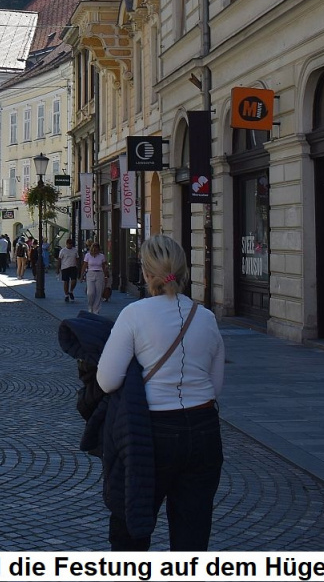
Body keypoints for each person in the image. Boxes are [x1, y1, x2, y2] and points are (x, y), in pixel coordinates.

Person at [97, 234, 226, 551]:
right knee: (193, 533)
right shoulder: (206, 317)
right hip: (203, 429)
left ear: (145, 272)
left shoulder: (135, 314)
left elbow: (107, 380)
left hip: (151, 432)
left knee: (131, 528)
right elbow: (215, 385)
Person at [83, 240, 108, 315]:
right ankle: (90, 306)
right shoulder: (87, 255)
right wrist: (81, 275)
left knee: (98, 293)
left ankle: (96, 310)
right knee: (90, 293)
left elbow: (104, 266)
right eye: (94, 248)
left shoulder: (101, 256)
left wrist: (106, 276)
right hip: (90, 273)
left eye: (97, 249)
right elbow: (84, 265)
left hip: (99, 273)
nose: (95, 250)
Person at [60, 238, 81, 302]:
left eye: (71, 244)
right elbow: (60, 259)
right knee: (66, 282)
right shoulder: (63, 251)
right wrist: (58, 268)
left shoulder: (75, 250)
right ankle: (66, 295)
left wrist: (78, 266)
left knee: (74, 280)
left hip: (73, 267)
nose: (70, 245)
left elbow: (77, 258)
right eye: (69, 244)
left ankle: (71, 291)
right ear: (66, 244)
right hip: (65, 267)